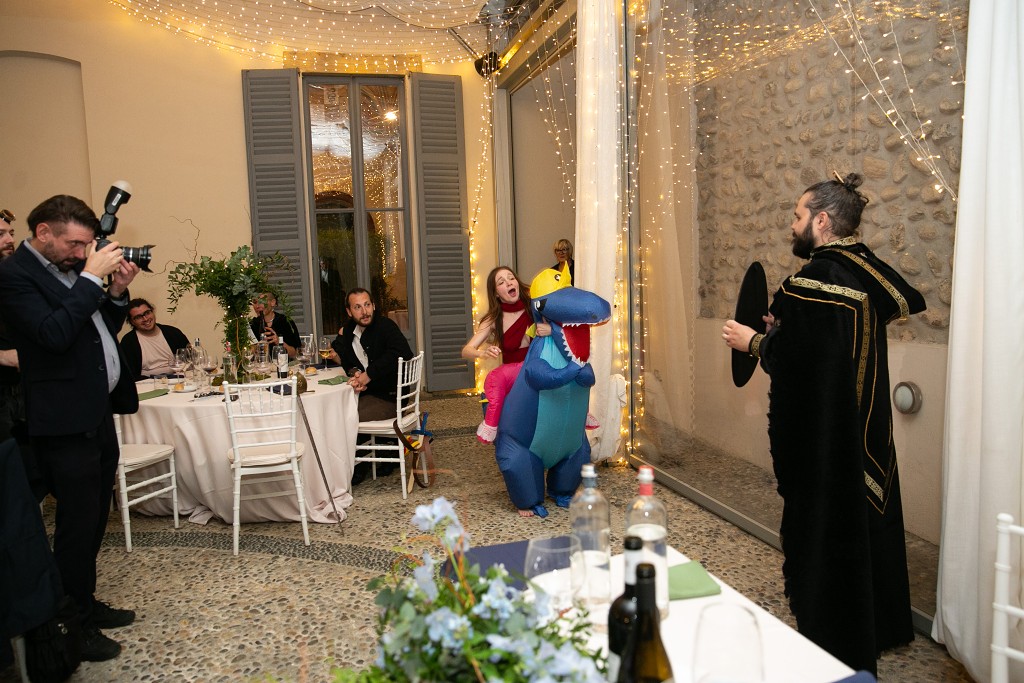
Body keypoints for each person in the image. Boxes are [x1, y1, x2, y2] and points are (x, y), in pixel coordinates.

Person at [722, 173, 923, 675]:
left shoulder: (813, 283)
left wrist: (753, 342)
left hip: (828, 441)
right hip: (867, 432)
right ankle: (881, 625)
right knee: (868, 520)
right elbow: (828, 347)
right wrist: (784, 328)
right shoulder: (863, 270)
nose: (792, 225)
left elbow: (798, 362)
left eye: (798, 216)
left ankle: (835, 640)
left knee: (830, 529)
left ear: (823, 220)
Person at [0, 194, 142, 662]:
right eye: (75, 244)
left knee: (96, 516)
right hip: (62, 419)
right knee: (76, 525)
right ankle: (72, 624)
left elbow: (98, 327)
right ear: (44, 232)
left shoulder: (69, 269)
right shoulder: (14, 276)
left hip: (95, 411)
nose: (82, 252)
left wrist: (115, 293)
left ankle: (84, 600)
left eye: (86, 245)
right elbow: (54, 335)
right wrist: (89, 278)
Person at [462, 266, 542, 445]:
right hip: (514, 384)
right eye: (501, 282)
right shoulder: (494, 318)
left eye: (511, 278)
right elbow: (466, 350)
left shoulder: (535, 307)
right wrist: (482, 353)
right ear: (496, 293)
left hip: (539, 377)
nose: (508, 283)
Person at [329, 288, 413, 422]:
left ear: (373, 306)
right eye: (357, 307)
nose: (364, 312)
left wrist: (368, 375)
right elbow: (347, 360)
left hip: (390, 397)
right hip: (365, 394)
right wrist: (356, 374)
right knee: (332, 412)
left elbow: (403, 352)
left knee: (345, 419)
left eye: (367, 305)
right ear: (349, 312)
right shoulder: (349, 330)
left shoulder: (385, 326)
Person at [119, 298, 190, 378]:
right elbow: (128, 375)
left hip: (177, 379)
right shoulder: (128, 342)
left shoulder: (173, 333)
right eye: (138, 317)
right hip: (146, 383)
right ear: (132, 322)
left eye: (147, 313)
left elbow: (190, 359)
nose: (145, 319)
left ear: (152, 312)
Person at [249, 292, 301, 358]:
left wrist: (279, 342)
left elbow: (295, 354)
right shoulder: (252, 325)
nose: (257, 306)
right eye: (255, 302)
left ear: (273, 302)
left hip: (284, 364)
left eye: (261, 302)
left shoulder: (285, 322)